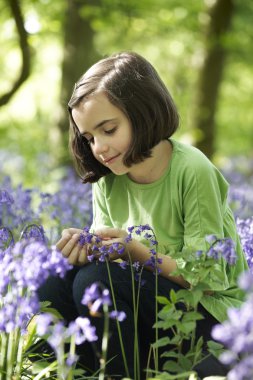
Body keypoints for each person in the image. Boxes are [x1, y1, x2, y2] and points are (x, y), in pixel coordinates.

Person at [37, 52, 248, 379]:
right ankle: (75, 372)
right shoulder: (107, 181)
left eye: (108, 129)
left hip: (211, 323)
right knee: (53, 285)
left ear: (143, 112)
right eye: (89, 138)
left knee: (98, 282)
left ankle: (123, 374)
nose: (99, 148)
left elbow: (208, 278)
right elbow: (107, 265)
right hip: (148, 311)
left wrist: (136, 252)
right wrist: (84, 250)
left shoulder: (192, 170)